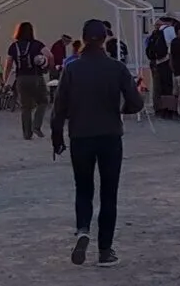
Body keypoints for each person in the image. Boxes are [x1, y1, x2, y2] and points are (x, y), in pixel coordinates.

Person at [50, 20, 145, 265]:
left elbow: (59, 106)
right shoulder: (117, 68)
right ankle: (105, 250)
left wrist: (57, 136)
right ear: (105, 39)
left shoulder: (72, 68)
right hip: (110, 135)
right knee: (109, 193)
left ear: (82, 38)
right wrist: (121, 109)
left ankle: (83, 229)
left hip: (80, 135)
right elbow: (136, 103)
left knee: (83, 189)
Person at [4, 22, 49, 140]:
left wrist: (6, 80)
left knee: (26, 107)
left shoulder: (14, 46)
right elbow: (49, 55)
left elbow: (8, 64)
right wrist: (47, 67)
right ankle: (37, 125)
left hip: (21, 78)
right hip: (36, 76)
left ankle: (27, 134)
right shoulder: (37, 44)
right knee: (43, 101)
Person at [143, 16, 174, 119]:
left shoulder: (152, 36)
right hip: (163, 62)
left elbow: (147, 48)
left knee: (157, 87)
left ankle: (158, 109)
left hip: (154, 62)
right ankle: (167, 109)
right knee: (166, 86)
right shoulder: (164, 33)